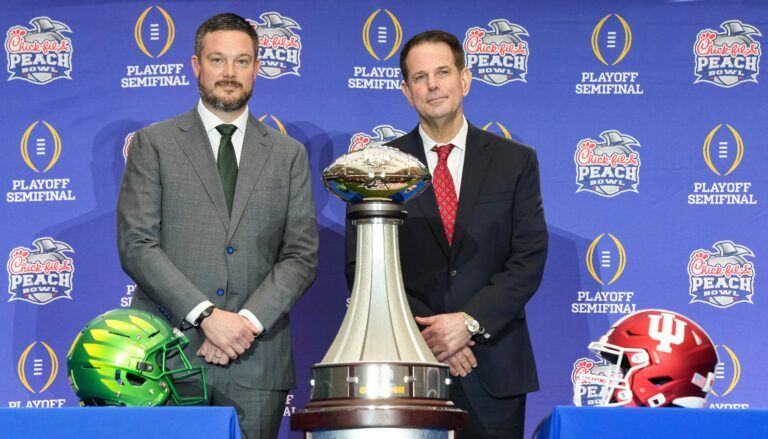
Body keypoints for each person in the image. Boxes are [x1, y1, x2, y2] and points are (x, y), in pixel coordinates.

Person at [117, 13, 318, 439]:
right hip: (167, 357)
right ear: (196, 66)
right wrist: (206, 316)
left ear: (257, 69)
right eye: (217, 60)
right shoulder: (154, 144)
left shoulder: (289, 155)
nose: (229, 73)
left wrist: (244, 322)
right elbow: (137, 244)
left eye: (242, 61)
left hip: (255, 360)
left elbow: (300, 256)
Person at [345, 30, 547, 438]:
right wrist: (431, 336)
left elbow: (528, 258)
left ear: (465, 80)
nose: (432, 85)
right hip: (409, 366)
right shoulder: (374, 169)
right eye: (420, 77)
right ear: (406, 91)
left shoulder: (515, 161)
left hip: (494, 366)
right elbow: (362, 267)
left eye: (442, 72)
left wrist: (468, 323)